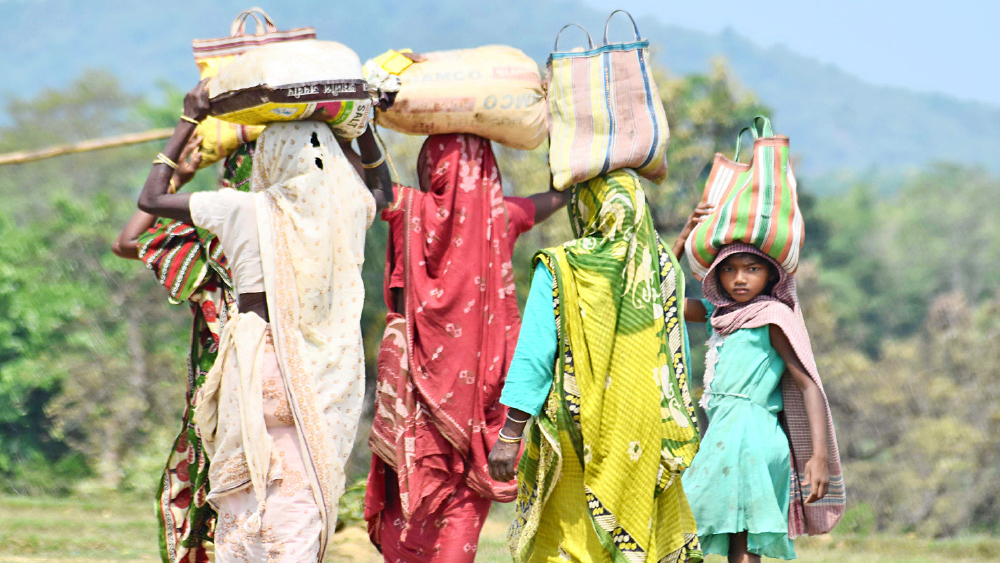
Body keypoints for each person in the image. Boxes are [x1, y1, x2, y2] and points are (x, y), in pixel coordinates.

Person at [135, 79, 392, 563]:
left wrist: (188, 121)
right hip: (325, 369)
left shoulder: (244, 208)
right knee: (302, 487)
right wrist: (363, 129)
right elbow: (383, 190)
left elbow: (150, 200)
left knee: (250, 490)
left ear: (269, 158)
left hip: (259, 363)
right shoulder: (350, 211)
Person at [364, 132, 572, 562]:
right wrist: (563, 127)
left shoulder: (406, 207)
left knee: (407, 517)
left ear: (430, 167)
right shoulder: (504, 216)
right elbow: (560, 193)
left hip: (411, 407)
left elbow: (374, 179)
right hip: (477, 413)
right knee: (459, 521)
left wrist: (362, 124)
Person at [488, 169, 703, 563]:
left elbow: (536, 354)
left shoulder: (562, 266)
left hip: (576, 430)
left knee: (574, 541)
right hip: (645, 432)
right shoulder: (661, 269)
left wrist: (510, 433)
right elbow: (677, 356)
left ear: (587, 209)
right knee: (637, 534)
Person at [672, 205, 846, 562]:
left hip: (750, 437)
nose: (740, 279)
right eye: (730, 270)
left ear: (770, 276)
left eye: (752, 269)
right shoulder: (719, 315)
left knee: (718, 533)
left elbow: (808, 385)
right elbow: (662, 297)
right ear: (717, 276)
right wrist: (683, 238)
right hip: (726, 435)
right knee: (737, 542)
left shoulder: (771, 317)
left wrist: (820, 455)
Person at [113, 126, 254, 563]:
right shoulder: (303, 231)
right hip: (290, 383)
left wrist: (177, 172)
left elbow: (126, 242)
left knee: (217, 493)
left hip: (225, 390)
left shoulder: (218, 237)